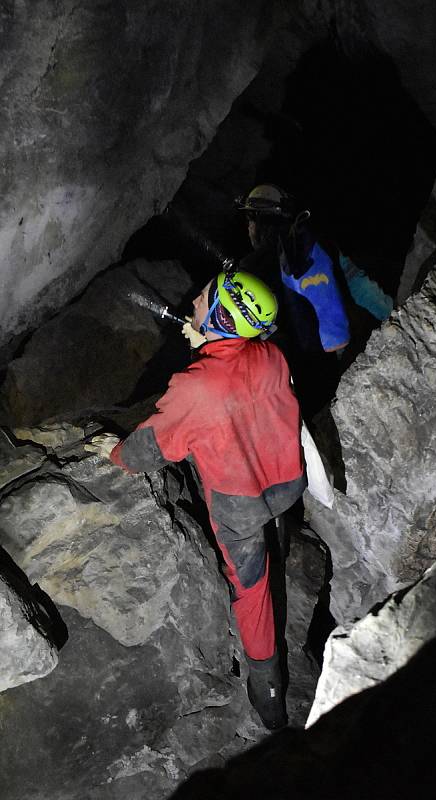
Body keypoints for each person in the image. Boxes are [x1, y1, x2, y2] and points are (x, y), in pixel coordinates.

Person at [87, 271, 306, 730]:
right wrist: (206, 343)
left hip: (240, 508)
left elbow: (146, 451)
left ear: (223, 316)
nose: (194, 299)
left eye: (205, 299)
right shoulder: (270, 355)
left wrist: (111, 452)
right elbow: (248, 393)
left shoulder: (195, 385)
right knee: (275, 532)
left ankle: (269, 698)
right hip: (286, 484)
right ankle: (280, 546)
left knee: (253, 592)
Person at [235, 184, 351, 421]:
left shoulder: (250, 269)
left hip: (287, 381)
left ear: (259, 221)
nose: (247, 227)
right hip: (327, 370)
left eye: (250, 218)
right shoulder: (313, 250)